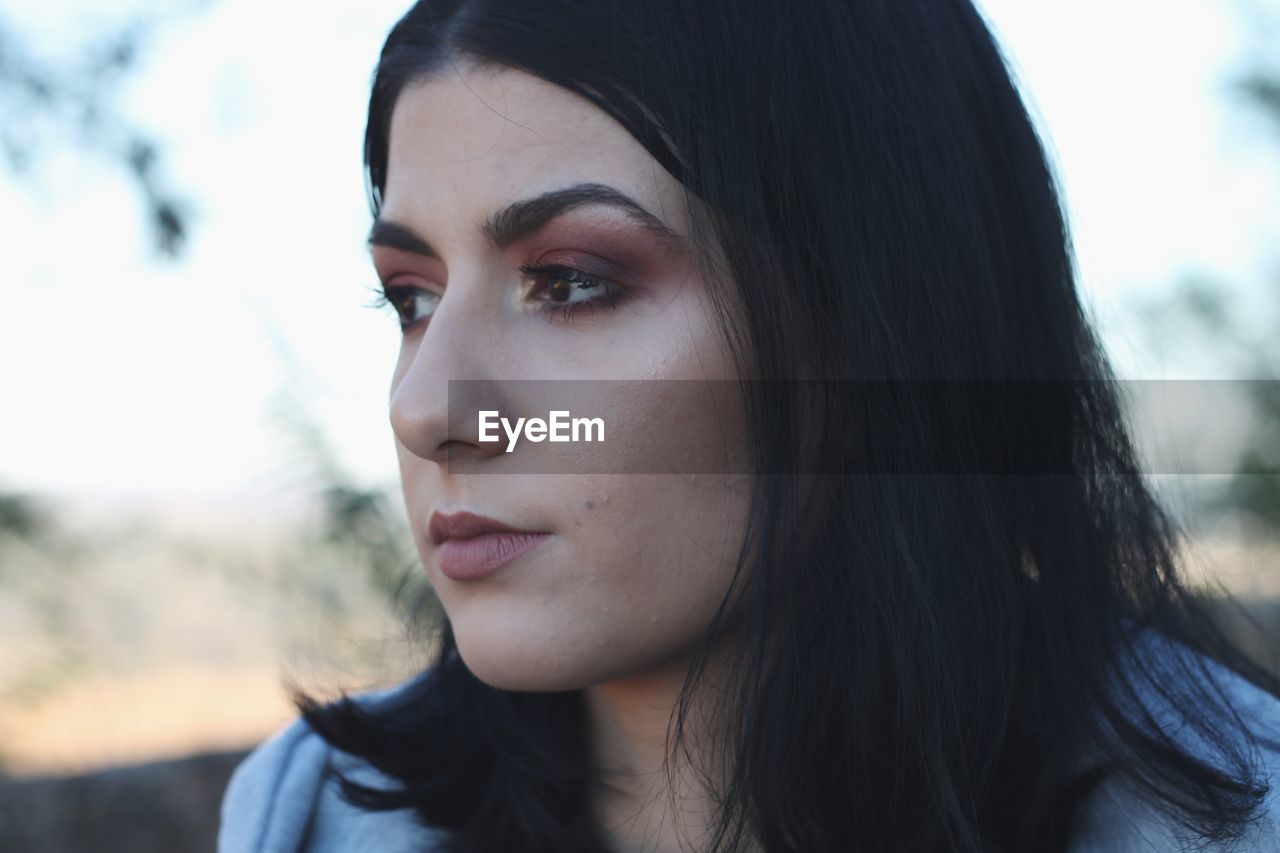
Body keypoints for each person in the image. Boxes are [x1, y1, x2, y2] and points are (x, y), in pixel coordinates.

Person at [218, 0, 1280, 850]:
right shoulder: (311, 816)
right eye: (411, 297)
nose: (424, 409)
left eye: (571, 283)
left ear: (872, 330)